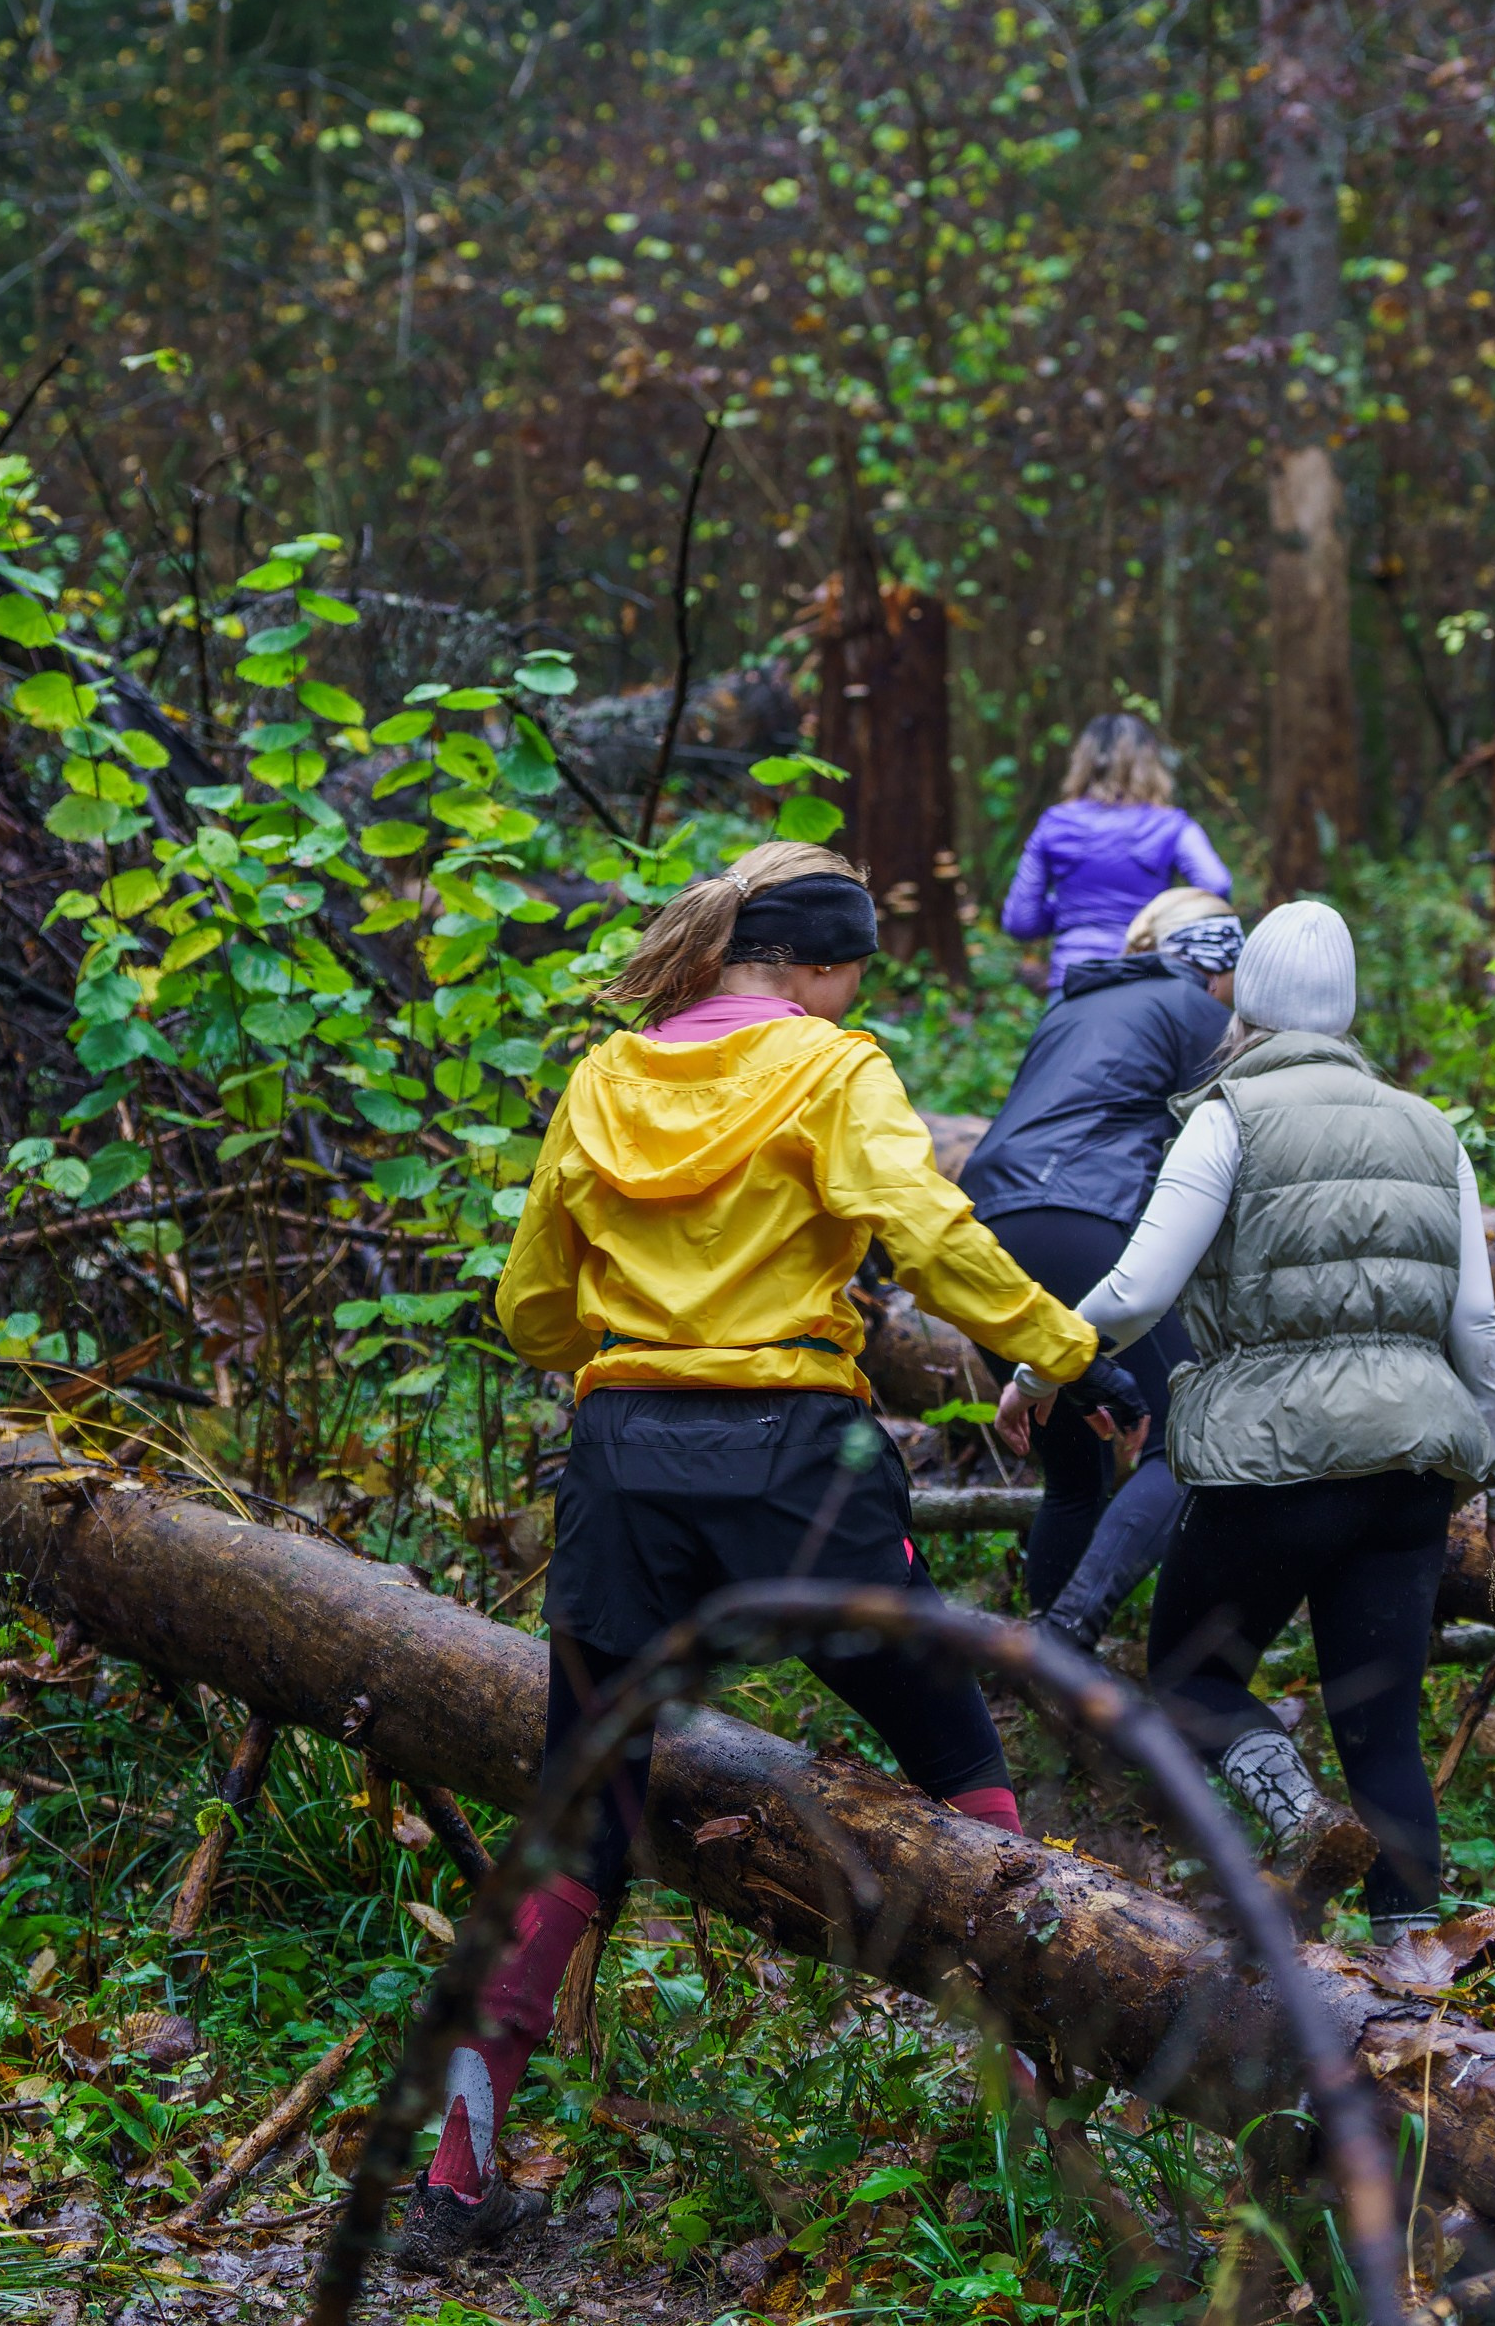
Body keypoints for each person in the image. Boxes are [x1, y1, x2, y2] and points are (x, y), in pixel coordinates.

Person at [398, 840, 1141, 2271]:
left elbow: (530, 1304)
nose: (853, 992)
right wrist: (1069, 1356)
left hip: (625, 1470)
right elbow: (928, 1231)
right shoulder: (834, 1066)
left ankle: (451, 2184)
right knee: (961, 1767)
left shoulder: (607, 1077)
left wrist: (621, 1356)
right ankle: (1051, 2155)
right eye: (851, 966)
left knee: (578, 1820)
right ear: (810, 962)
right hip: (801, 1459)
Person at [996, 898, 1495, 1948]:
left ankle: (1299, 1816)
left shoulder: (1225, 1115)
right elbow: (1475, 1328)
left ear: (1245, 999)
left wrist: (1036, 1371)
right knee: (1382, 1731)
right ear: (1347, 1007)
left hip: (1271, 1458)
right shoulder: (1430, 1129)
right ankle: (1416, 1985)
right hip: (1409, 1466)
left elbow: (1133, 1292)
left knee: (1192, 1676)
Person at [960, 888, 1242, 1645]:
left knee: (1077, 1467)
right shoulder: (1200, 1012)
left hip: (983, 1228)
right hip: (1079, 1218)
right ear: (1218, 962)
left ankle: (1046, 1681)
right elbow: (1236, 1149)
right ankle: (1069, 1636)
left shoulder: (1075, 1007)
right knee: (1183, 1441)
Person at [1000, 712, 1231, 992]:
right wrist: (1166, 923)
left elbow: (1020, 921)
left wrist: (1073, 910)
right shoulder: (1170, 824)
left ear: (1082, 763)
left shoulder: (1055, 823)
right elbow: (1216, 884)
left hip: (1072, 982)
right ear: (1149, 763)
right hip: (1147, 981)